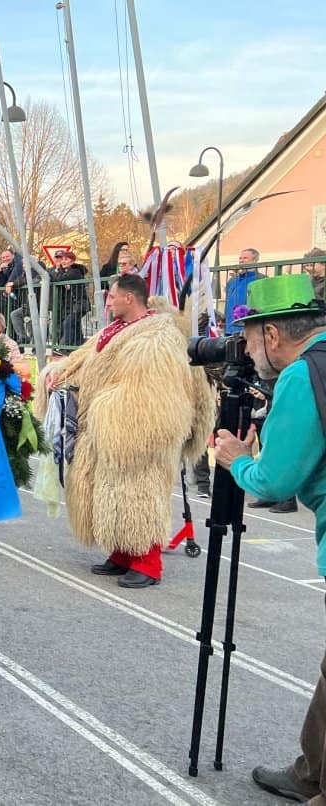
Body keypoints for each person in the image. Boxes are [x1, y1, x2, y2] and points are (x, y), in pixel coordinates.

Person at [209, 275, 326, 805]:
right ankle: (310, 772)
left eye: (250, 338)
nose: (248, 351)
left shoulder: (304, 376)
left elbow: (276, 479)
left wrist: (239, 460)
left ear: (273, 334)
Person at [41, 273, 213, 588]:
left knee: (140, 494)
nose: (107, 302)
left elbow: (155, 393)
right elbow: (82, 360)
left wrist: (111, 410)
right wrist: (58, 374)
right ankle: (122, 552)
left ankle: (148, 563)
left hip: (136, 435)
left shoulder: (157, 336)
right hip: (103, 429)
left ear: (129, 298)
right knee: (112, 493)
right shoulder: (114, 330)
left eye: (111, 296)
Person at [52, 249, 91, 349]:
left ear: (72, 261)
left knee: (68, 322)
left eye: (66, 259)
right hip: (73, 305)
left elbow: (59, 279)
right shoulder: (66, 272)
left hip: (80, 304)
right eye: (62, 259)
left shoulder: (75, 272)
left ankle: (66, 347)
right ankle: (79, 346)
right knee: (75, 325)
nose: (63, 261)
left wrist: (58, 270)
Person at [224, 247, 264, 336]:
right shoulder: (232, 281)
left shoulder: (260, 280)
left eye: (245, 258)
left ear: (255, 260)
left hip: (248, 329)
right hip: (229, 329)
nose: (241, 261)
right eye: (240, 258)